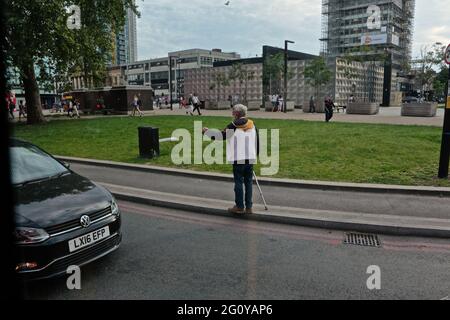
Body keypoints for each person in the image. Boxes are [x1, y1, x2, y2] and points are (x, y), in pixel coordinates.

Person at [202, 104, 259, 215]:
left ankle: (239, 206)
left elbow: (220, 136)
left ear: (237, 113)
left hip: (238, 158)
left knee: (238, 182)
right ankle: (249, 207)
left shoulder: (233, 125)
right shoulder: (253, 125)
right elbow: (257, 141)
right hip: (250, 157)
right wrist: (255, 155)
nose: (232, 113)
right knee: (248, 183)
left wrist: (207, 132)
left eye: (233, 111)